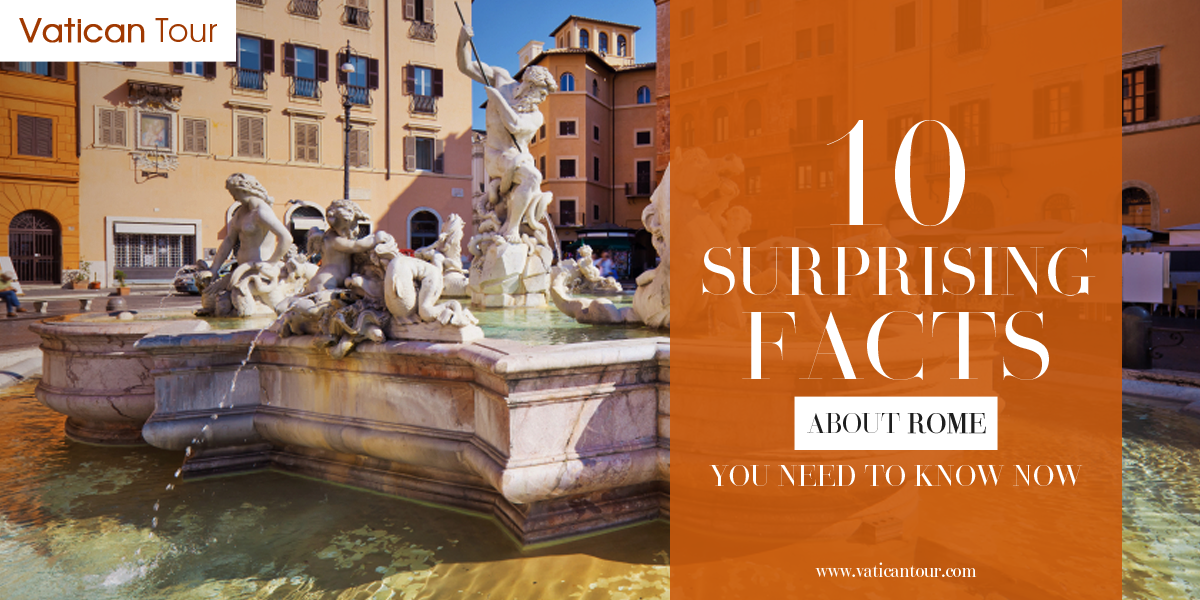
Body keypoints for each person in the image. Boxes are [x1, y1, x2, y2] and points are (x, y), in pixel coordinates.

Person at [458, 24, 558, 243]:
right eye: (541, 93)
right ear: (529, 85)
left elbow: (514, 125)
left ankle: (512, 228)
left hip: (518, 157)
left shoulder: (535, 116)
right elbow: (465, 66)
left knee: (533, 177)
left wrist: (496, 100)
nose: (541, 100)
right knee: (532, 176)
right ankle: (511, 226)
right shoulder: (501, 79)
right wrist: (463, 41)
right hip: (496, 156)